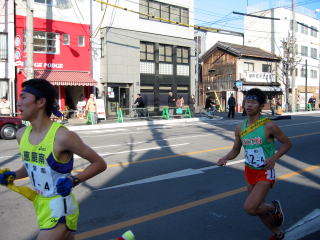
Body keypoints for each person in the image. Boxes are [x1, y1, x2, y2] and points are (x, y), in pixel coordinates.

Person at [0, 79, 106, 240]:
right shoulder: (21, 135)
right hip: (40, 205)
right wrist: (13, 175)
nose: (18, 103)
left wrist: (73, 181)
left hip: (60, 208)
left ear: (41, 102)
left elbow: (99, 163)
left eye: (23, 97)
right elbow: (30, 167)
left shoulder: (63, 136)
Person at [217, 88, 292, 240]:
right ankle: (277, 232)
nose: (249, 105)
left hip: (265, 171)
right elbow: (236, 150)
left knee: (250, 208)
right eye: (247, 102)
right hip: (249, 171)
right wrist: (225, 158)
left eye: (253, 102)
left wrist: (274, 157)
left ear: (261, 105)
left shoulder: (269, 126)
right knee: (258, 208)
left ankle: (273, 207)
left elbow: (287, 143)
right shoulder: (240, 128)